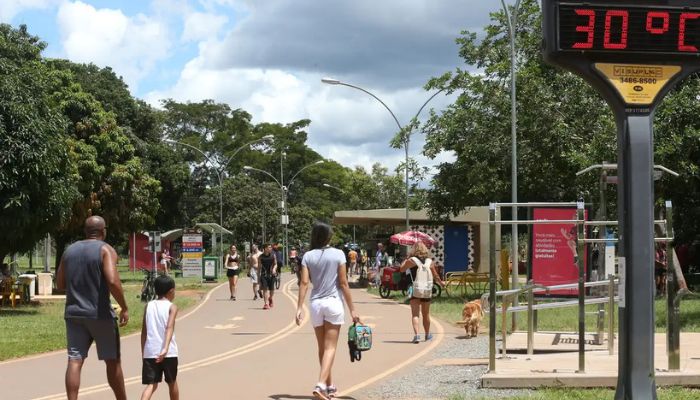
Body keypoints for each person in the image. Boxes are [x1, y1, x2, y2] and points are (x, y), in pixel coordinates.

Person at [56, 216, 129, 400]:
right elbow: (112, 281)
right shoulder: (105, 249)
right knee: (112, 361)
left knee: (74, 360)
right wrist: (124, 307)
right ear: (103, 231)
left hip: (73, 314)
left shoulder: (69, 251)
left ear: (85, 232)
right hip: (100, 314)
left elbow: (60, 283)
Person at [295, 222, 360, 400]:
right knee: (330, 347)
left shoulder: (308, 256)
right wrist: (353, 309)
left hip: (315, 304)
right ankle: (320, 385)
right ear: (329, 237)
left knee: (322, 348)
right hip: (333, 303)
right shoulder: (339, 254)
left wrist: (299, 307)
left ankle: (330, 386)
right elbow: (344, 283)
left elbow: (304, 283)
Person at [140, 275, 179, 400]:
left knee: (152, 385)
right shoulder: (172, 307)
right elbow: (169, 328)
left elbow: (144, 332)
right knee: (172, 382)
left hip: (150, 352)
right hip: (169, 353)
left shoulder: (148, 306)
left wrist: (144, 352)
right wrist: (165, 348)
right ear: (171, 291)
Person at [399, 242, 444, 343]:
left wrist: (406, 259)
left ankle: (417, 336)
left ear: (414, 249)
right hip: (427, 290)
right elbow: (436, 276)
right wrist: (441, 284)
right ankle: (427, 335)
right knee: (426, 314)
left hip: (416, 290)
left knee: (415, 314)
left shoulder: (411, 260)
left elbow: (401, 269)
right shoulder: (430, 261)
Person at [259, 244, 277, 310]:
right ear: (265, 248)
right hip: (264, 275)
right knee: (265, 289)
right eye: (269, 247)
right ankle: (266, 304)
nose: (271, 248)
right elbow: (259, 268)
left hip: (272, 275)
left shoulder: (273, 255)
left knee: (272, 289)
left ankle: (270, 298)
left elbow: (275, 264)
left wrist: (274, 269)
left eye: (271, 247)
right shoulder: (260, 257)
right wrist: (259, 279)